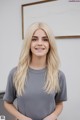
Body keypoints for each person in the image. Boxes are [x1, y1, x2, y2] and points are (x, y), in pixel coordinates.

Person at [3, 22, 67, 120]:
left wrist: (53, 116)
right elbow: (7, 103)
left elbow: (59, 103)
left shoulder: (59, 75)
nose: (40, 43)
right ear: (29, 43)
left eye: (45, 39)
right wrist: (21, 117)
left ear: (50, 44)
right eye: (34, 39)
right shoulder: (15, 73)